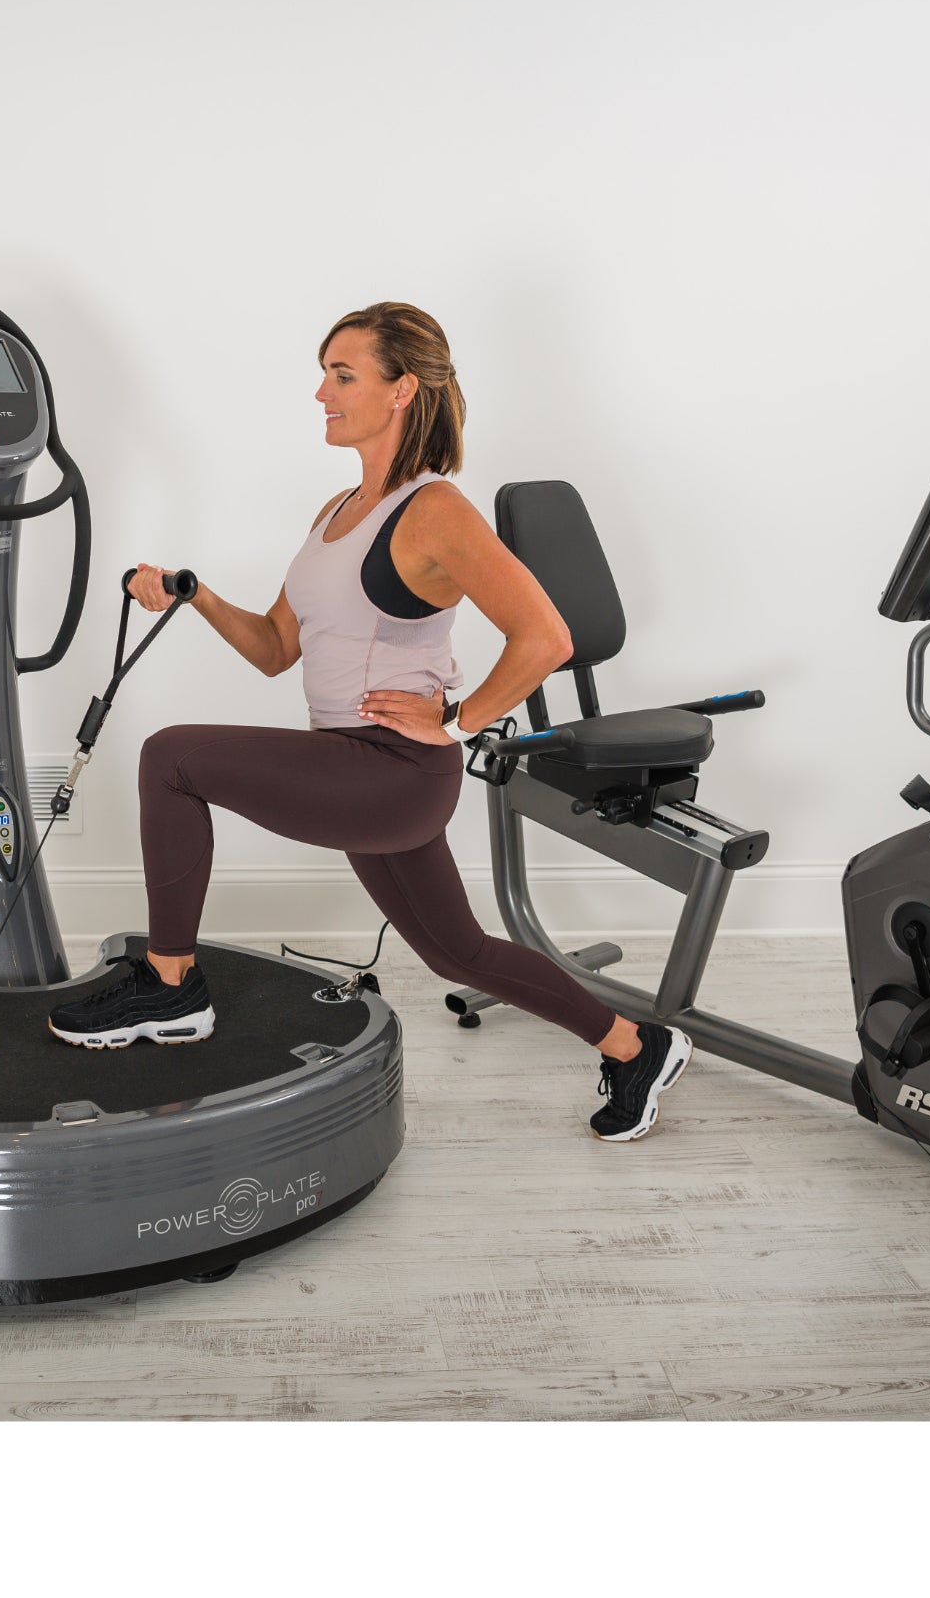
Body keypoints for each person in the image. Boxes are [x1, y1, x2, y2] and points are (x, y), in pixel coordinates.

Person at [48, 301, 691, 1142]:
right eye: (324, 373)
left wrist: (457, 718)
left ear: (402, 391)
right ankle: (636, 1045)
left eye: (343, 375)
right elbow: (277, 648)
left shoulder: (435, 512)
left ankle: (171, 987)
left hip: (391, 773)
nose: (321, 391)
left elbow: (547, 636)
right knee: (458, 954)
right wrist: (194, 594)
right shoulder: (336, 513)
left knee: (171, 757)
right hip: (351, 769)